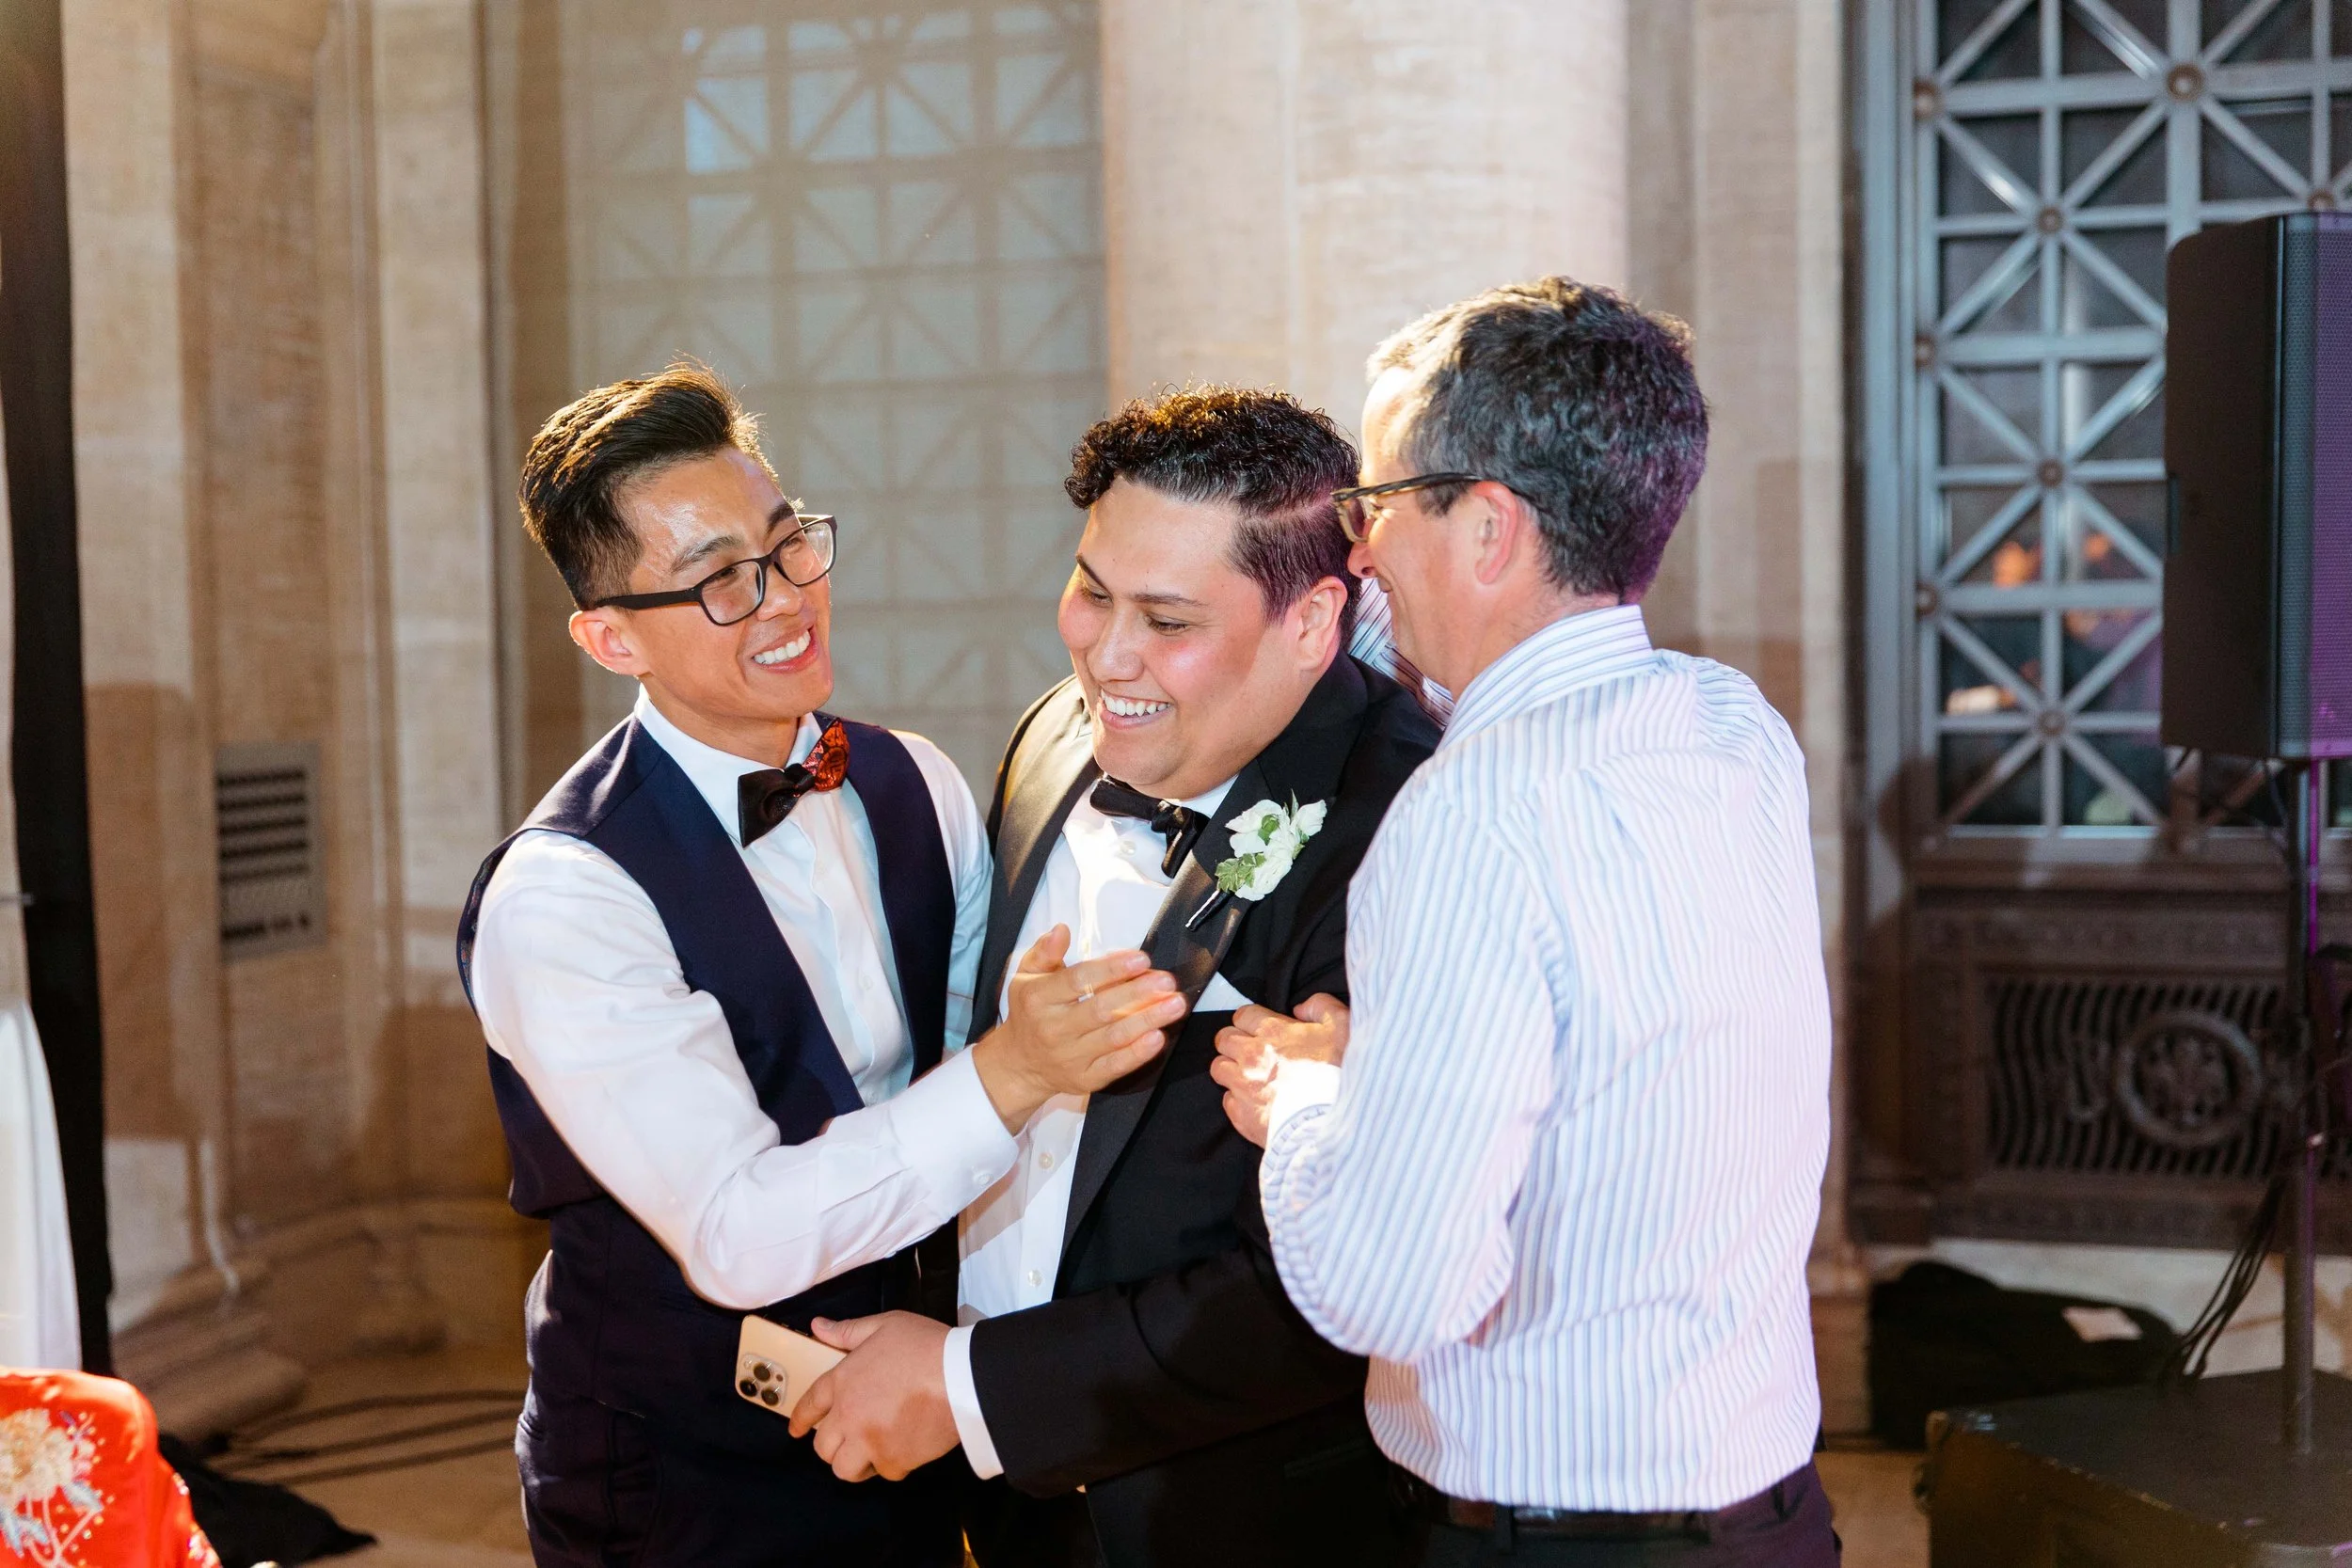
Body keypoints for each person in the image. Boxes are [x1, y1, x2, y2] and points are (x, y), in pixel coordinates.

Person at [454, 365, 1184, 1567]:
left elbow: (957, 1077)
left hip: (908, 1414)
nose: (786, 597)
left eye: (788, 543)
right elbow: (735, 1232)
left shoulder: (913, 780)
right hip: (675, 1468)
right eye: (720, 581)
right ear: (611, 637)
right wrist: (1017, 1068)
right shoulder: (566, 893)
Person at [1213, 279, 1840, 1568]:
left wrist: (1313, 1104)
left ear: (1491, 526)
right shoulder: (1731, 725)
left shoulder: (1467, 815)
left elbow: (1399, 1287)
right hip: (1771, 1511)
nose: (1360, 552)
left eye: (1376, 505)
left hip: (1558, 1537)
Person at [787, 388, 1439, 1567]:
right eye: (1092, 590)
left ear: (1311, 621)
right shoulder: (1053, 737)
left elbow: (1343, 1277)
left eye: (1167, 619)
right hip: (1003, 1503)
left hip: (1239, 1518)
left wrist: (971, 1386)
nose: (1106, 652)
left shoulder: (1413, 824)